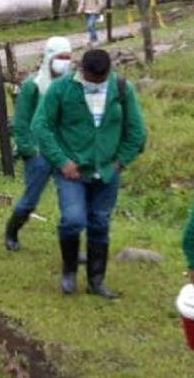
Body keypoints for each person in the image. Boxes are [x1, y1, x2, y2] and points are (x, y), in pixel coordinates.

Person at [32, 49, 146, 298]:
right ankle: (69, 271)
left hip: (106, 172)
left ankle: (96, 281)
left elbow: (137, 132)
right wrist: (62, 161)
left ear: (108, 73)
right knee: (73, 220)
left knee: (100, 223)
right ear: (81, 70)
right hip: (71, 172)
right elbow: (40, 126)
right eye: (91, 79)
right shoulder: (61, 89)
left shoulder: (121, 89)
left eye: (101, 80)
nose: (96, 84)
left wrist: (120, 162)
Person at [4, 37, 73, 252]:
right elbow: (21, 122)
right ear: (49, 58)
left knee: (71, 203)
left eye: (68, 58)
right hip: (39, 153)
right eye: (60, 57)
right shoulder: (32, 87)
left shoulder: (70, 85)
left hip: (63, 152)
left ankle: (71, 247)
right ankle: (12, 232)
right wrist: (29, 151)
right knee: (30, 199)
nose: (64, 62)